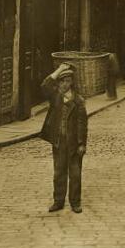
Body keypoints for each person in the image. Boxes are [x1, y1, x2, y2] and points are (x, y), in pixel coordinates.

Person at [40, 63, 88, 213]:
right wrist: (59, 70)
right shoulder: (56, 98)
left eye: (67, 81)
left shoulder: (78, 101)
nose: (64, 84)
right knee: (59, 172)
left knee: (75, 174)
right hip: (59, 141)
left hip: (73, 143)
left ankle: (75, 202)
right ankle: (58, 201)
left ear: (71, 82)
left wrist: (81, 144)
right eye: (61, 81)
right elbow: (45, 86)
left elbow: (82, 124)